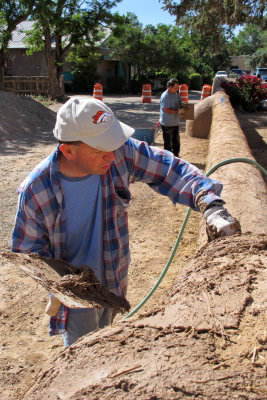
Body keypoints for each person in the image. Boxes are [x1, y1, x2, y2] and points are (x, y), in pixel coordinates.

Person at [11, 96, 240, 347]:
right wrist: (69, 285)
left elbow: (168, 168)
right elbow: (28, 254)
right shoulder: (35, 191)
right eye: (100, 149)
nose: (111, 155)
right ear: (68, 150)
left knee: (106, 339)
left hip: (113, 276)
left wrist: (210, 203)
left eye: (113, 144)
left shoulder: (119, 154)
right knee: (84, 354)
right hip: (77, 296)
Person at [159, 78, 182, 157]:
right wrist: (177, 111)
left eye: (177, 88)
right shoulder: (165, 96)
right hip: (167, 123)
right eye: (175, 88)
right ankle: (168, 159)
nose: (177, 89)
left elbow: (180, 103)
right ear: (169, 87)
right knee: (168, 143)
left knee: (176, 142)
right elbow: (166, 109)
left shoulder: (176, 94)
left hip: (175, 123)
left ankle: (176, 157)